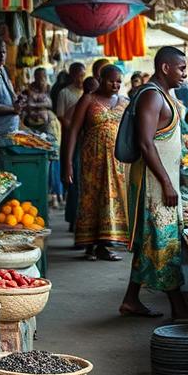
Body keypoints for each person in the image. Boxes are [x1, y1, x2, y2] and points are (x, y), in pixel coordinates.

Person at [121, 46, 188, 319]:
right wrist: (166, 183)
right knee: (164, 242)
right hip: (154, 184)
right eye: (181, 68)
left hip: (163, 180)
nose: (184, 74)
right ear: (165, 68)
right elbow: (146, 144)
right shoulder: (151, 96)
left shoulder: (164, 95)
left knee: (149, 241)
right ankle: (178, 305)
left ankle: (130, 300)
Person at [64, 65, 129, 260]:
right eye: (111, 80)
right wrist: (67, 163)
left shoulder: (125, 102)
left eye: (119, 81)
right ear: (101, 79)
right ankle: (89, 246)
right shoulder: (88, 99)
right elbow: (73, 131)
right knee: (92, 198)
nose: (115, 84)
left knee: (112, 198)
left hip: (118, 162)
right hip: (92, 160)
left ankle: (104, 245)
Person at [64, 75, 100, 233]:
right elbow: (71, 127)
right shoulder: (84, 103)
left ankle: (76, 222)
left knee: (79, 188)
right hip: (82, 149)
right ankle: (77, 223)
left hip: (87, 150)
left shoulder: (93, 102)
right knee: (79, 188)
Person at [23, 68, 64, 207]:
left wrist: (34, 105)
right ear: (35, 76)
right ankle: (45, 193)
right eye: (39, 76)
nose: (42, 78)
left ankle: (55, 195)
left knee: (53, 157)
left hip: (49, 126)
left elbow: (50, 105)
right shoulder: (29, 88)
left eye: (44, 75)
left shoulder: (49, 88)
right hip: (32, 126)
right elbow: (27, 105)